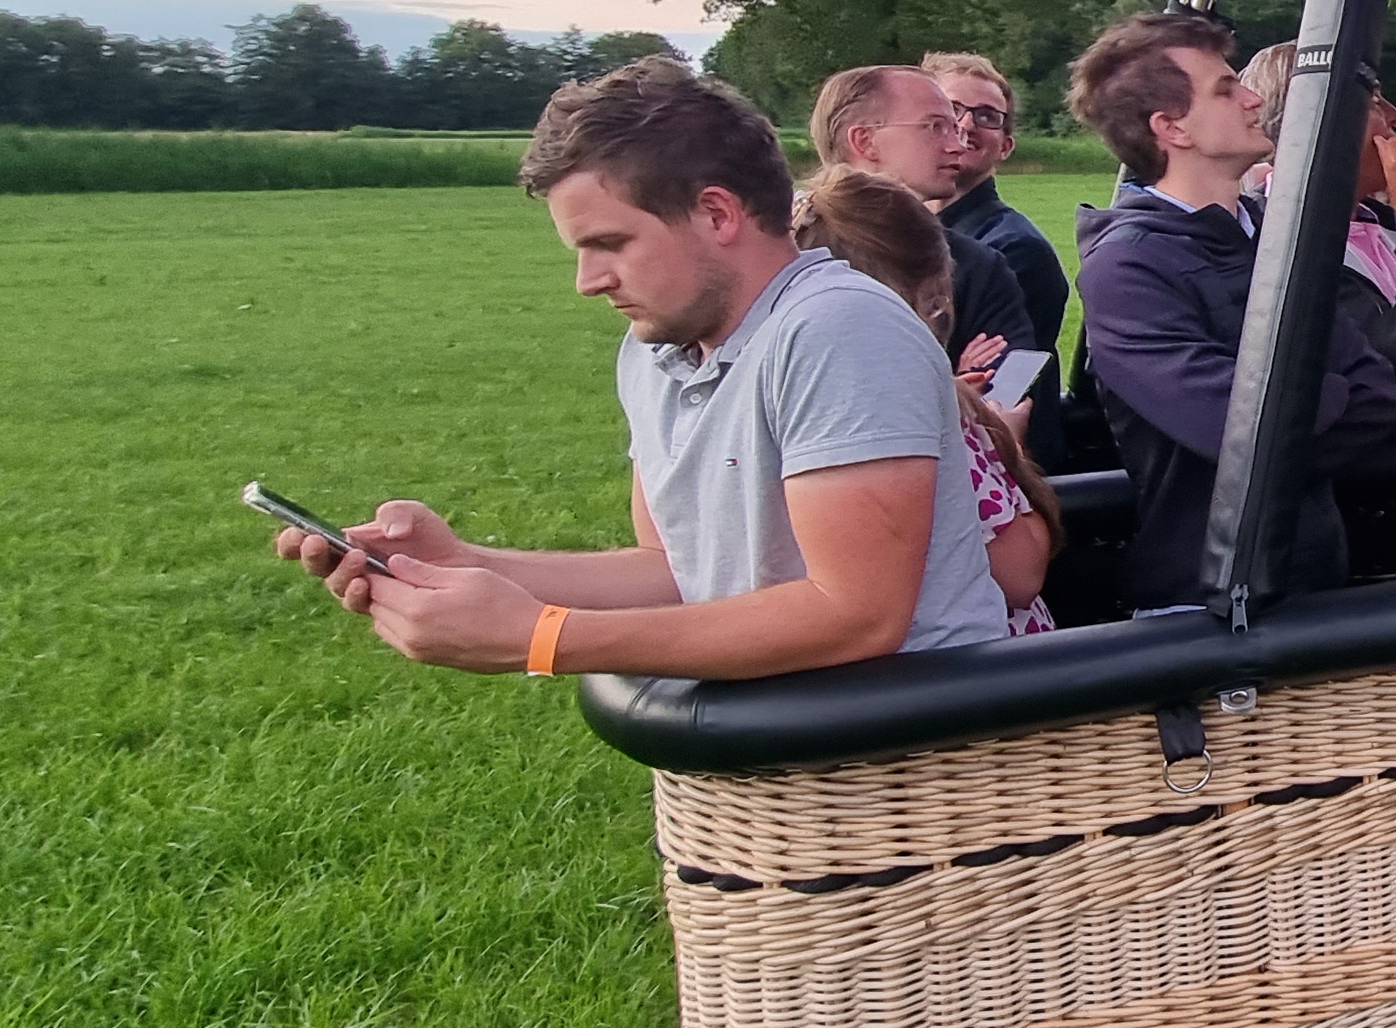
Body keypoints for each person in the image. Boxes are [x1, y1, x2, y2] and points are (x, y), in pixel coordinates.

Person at [270, 58, 1007, 673]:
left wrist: (541, 638)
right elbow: (675, 571)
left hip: (906, 761)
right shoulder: (655, 352)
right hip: (762, 759)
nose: (588, 282)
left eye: (610, 244)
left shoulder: (839, 329)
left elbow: (855, 616)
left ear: (717, 214)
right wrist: (467, 563)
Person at [1070, 12, 1396, 613]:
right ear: (1171, 127)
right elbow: (1237, 431)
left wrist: (1294, 414)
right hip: (1204, 609)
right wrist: (1328, 397)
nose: (1253, 99)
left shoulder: (1278, 235)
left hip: (1316, 584)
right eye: (1226, 89)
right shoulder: (1126, 269)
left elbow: (1377, 393)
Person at [790, 165, 1064, 636]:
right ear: (931, 292)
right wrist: (1006, 445)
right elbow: (1021, 574)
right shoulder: (933, 420)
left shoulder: (784, 395)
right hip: (981, 664)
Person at [1245, 39, 1396, 436]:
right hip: (1387, 472)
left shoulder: (1377, 226)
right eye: (1374, 101)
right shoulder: (1279, 244)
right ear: (1316, 120)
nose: (1395, 115)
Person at [806, 64, 1041, 396]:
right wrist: (950, 391)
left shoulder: (979, 266)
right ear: (865, 141)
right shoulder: (791, 251)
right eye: (935, 127)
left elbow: (1007, 403)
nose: (957, 146)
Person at [921, 51, 1079, 469]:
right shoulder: (901, 240)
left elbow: (992, 390)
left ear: (1006, 146)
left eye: (987, 117)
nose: (966, 125)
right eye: (950, 110)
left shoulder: (1015, 250)